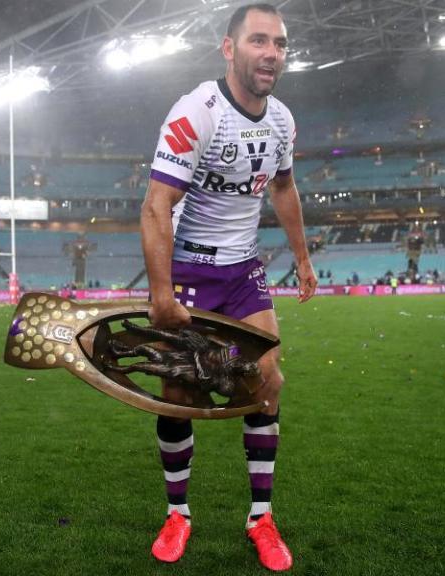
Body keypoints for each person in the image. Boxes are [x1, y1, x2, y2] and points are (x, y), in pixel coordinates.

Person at [140, 3, 316, 571]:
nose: (272, 54)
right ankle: (178, 514)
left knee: (266, 383)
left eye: (281, 44)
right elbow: (156, 206)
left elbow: (284, 189)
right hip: (190, 271)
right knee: (180, 395)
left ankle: (261, 518)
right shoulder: (198, 112)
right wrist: (162, 296)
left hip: (243, 272)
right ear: (229, 48)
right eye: (260, 41)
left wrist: (302, 259)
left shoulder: (282, 121)